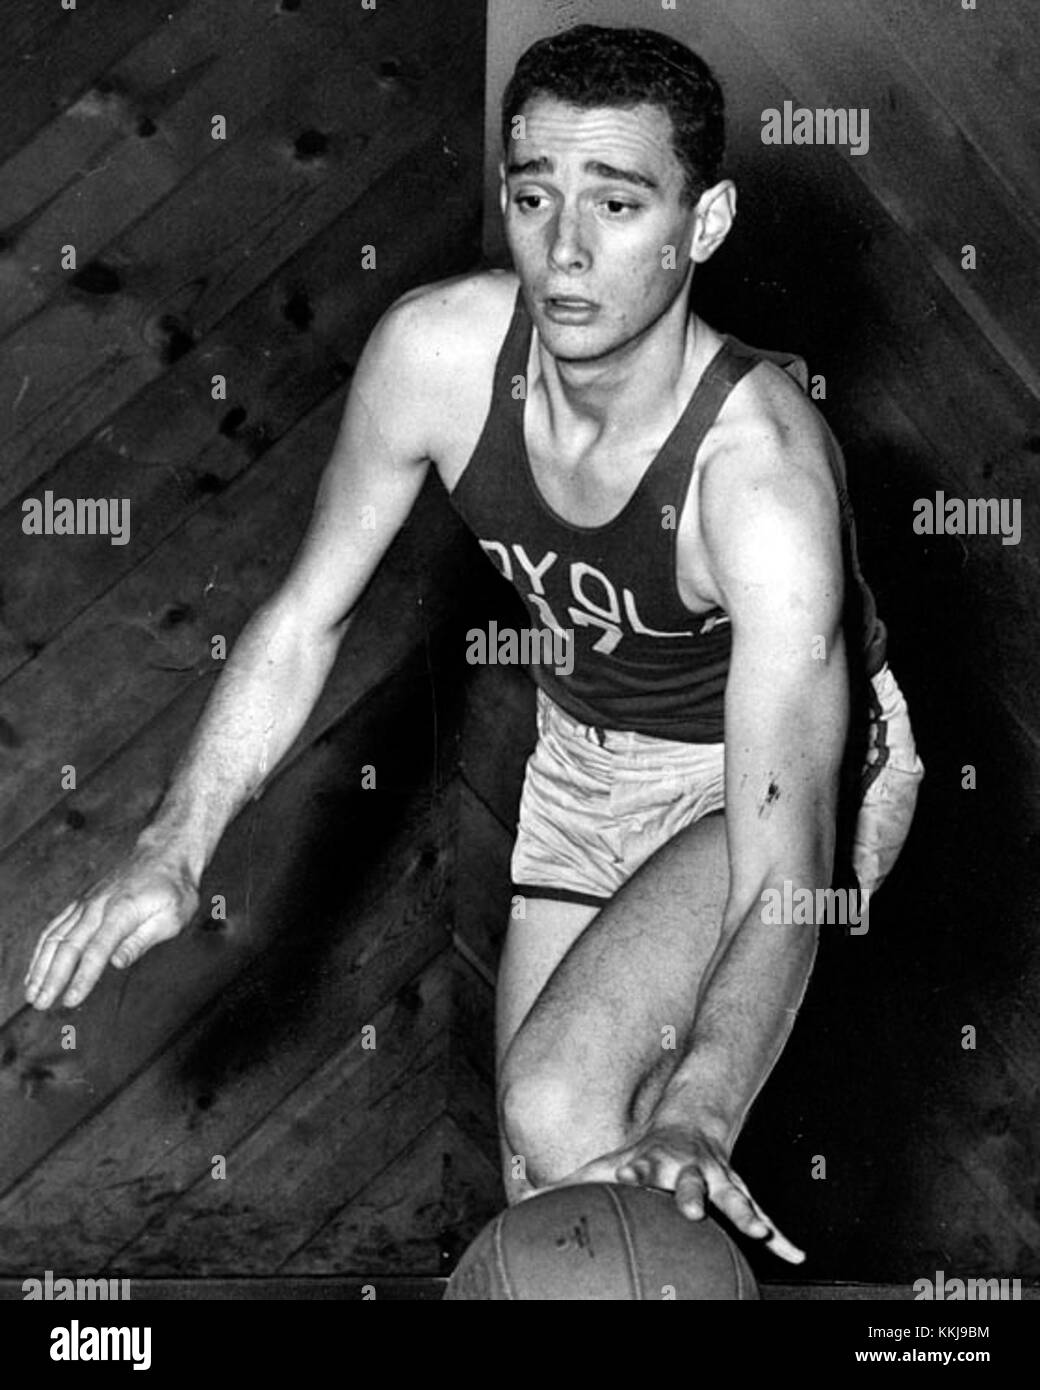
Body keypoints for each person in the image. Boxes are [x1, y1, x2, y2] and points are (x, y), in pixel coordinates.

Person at [24, 25, 923, 1266]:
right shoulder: (435, 355)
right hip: (583, 758)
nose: (563, 248)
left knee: (578, 1116)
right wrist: (172, 851)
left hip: (777, 782)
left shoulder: (758, 478)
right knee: (541, 1198)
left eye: (616, 204)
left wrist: (699, 1114)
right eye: (532, 195)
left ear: (702, 223)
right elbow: (303, 617)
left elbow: (788, 862)